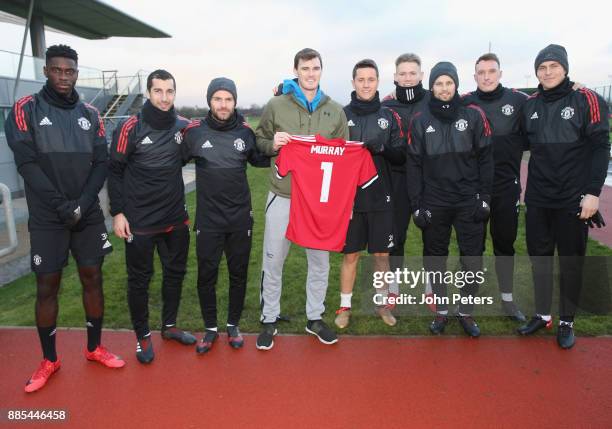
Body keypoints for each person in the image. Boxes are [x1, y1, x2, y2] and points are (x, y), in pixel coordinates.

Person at [5, 44, 124, 393]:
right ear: (46, 71)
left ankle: (94, 347)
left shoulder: (91, 113)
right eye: (56, 70)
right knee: (47, 286)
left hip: (85, 215)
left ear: (76, 71)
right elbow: (26, 164)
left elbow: (101, 162)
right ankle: (49, 360)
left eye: (69, 70)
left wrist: (83, 203)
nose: (63, 76)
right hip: (48, 217)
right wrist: (61, 205)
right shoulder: (24, 109)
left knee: (93, 278)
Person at [255, 48, 349, 350]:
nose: (310, 73)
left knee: (319, 263)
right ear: (296, 70)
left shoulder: (334, 111)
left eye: (316, 68)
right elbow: (260, 139)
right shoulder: (275, 104)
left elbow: (344, 157)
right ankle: (269, 317)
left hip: (317, 203)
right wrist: (273, 143)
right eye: (305, 68)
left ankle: (314, 317)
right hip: (282, 195)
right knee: (273, 260)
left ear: (322, 71)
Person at [517, 44, 610, 349]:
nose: (547, 72)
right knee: (539, 261)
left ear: (566, 68)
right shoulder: (529, 105)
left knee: (570, 263)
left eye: (554, 66)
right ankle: (543, 314)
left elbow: (600, 147)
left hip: (573, 199)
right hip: (539, 198)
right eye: (542, 68)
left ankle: (567, 321)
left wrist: (593, 194)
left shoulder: (586, 99)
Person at [108, 70, 195, 364]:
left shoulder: (182, 126)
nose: (164, 97)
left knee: (175, 274)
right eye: (158, 91)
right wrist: (118, 213)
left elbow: (203, 138)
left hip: (175, 219)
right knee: (139, 280)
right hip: (140, 222)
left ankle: (169, 327)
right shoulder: (130, 127)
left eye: (169, 91)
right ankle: (142, 336)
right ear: (148, 93)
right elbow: (115, 170)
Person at [181, 78, 269, 354]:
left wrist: (279, 140)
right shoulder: (194, 131)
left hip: (240, 217)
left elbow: (261, 157)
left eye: (228, 99)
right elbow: (173, 161)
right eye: (217, 99)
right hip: (208, 219)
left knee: (238, 273)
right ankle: (210, 329)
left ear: (234, 102)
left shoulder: (245, 132)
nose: (222, 104)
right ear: (210, 101)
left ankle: (232, 325)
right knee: (206, 274)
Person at [406, 61, 493, 337]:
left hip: (468, 200)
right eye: (439, 83)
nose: (444, 88)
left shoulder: (474, 115)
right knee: (435, 259)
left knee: (473, 259)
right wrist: (417, 205)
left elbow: (486, 159)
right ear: (432, 87)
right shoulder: (420, 120)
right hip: (434, 202)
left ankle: (465, 310)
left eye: (449, 83)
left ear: (456, 85)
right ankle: (442, 312)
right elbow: (413, 166)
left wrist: (485, 198)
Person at [335, 59, 405, 329]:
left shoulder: (389, 117)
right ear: (353, 83)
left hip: (381, 198)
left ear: (378, 82)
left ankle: (381, 303)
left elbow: (402, 157)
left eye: (371, 79)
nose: (366, 84)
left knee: (381, 256)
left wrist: (384, 149)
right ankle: (344, 307)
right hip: (350, 200)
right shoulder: (341, 115)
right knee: (351, 255)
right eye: (361, 79)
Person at [462, 53, 528, 322]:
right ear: (475, 76)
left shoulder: (519, 101)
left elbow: (547, 101)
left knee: (504, 244)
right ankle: (468, 300)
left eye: (491, 71)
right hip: (472, 189)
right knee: (472, 248)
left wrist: (575, 87)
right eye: (481, 72)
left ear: (500, 73)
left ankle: (508, 299)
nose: (486, 76)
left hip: (505, 187)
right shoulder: (464, 102)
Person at [382, 53, 430, 276]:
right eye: (403, 73)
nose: (408, 78)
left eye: (412, 73)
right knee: (396, 235)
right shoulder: (386, 105)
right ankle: (393, 286)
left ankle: (433, 286)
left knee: (433, 234)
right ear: (395, 76)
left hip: (430, 179)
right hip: (397, 178)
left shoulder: (434, 100)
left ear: (421, 75)